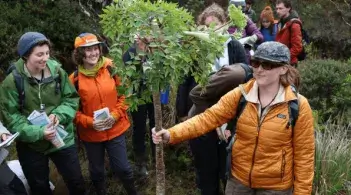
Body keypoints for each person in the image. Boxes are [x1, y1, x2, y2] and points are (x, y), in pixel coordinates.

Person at [153, 42, 315, 195]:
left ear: (283, 69)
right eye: (255, 62)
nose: (259, 69)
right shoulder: (241, 95)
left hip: (275, 187)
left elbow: (304, 157)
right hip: (239, 181)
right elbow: (207, 119)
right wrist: (171, 134)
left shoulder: (298, 105)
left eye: (267, 65)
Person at [0, 32, 86, 195]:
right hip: (31, 145)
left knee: (76, 182)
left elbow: (71, 99)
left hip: (62, 137)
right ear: (25, 55)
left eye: (47, 53)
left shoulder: (57, 72)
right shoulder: (12, 82)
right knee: (39, 188)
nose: (45, 58)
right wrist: (39, 132)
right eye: (39, 54)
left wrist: (59, 115)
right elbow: (11, 118)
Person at [69, 33, 138, 195]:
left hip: (115, 129)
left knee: (123, 169)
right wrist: (90, 122)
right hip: (91, 134)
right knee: (97, 173)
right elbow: (71, 110)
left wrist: (114, 115)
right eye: (88, 50)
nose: (93, 53)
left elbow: (126, 95)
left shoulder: (111, 67)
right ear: (79, 54)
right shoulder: (74, 80)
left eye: (95, 48)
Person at [176, 3, 248, 124]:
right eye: (208, 26)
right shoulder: (195, 49)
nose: (213, 29)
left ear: (224, 24)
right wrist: (182, 112)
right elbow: (184, 81)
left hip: (229, 103)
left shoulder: (234, 46)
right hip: (200, 104)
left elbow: (245, 76)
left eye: (216, 25)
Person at [122, 35, 156, 177]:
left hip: (155, 94)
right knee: (140, 126)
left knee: (156, 124)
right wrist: (140, 54)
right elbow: (129, 73)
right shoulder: (130, 52)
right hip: (138, 96)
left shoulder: (156, 49)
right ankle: (140, 162)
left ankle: (157, 157)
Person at [275, 0, 303, 66]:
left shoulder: (294, 25)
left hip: (289, 63)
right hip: (280, 62)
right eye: (277, 8)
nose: (278, 11)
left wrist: (283, 58)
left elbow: (297, 48)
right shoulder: (280, 23)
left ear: (288, 8)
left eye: (280, 8)